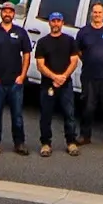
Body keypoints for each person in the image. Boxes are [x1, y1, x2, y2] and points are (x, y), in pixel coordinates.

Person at [0, 1, 33, 156]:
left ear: (13, 14)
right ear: (1, 13)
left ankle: (19, 144)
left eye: (10, 11)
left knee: (17, 116)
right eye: (5, 11)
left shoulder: (21, 32)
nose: (7, 14)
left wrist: (22, 76)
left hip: (15, 83)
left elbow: (27, 54)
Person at [74, 1, 103, 146]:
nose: (97, 15)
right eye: (95, 12)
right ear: (91, 14)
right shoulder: (83, 32)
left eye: (100, 12)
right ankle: (84, 135)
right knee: (88, 107)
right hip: (89, 76)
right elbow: (78, 50)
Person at [34, 10, 81, 155]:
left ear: (62, 23)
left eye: (58, 21)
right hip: (48, 85)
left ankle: (71, 142)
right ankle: (46, 144)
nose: (56, 24)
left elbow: (74, 61)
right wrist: (54, 77)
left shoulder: (70, 41)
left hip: (65, 84)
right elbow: (40, 65)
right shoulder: (42, 42)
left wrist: (63, 77)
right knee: (46, 115)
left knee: (69, 114)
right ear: (49, 23)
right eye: (53, 21)